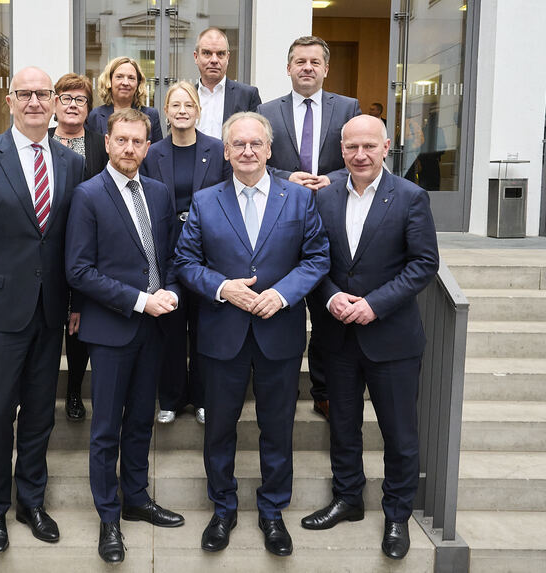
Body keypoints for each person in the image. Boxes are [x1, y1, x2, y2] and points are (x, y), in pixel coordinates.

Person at [175, 112, 329, 557]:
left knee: (277, 427)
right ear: (226, 152)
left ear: (268, 150)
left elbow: (317, 259)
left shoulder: (298, 199)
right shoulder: (206, 201)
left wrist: (281, 295)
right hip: (223, 335)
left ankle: (273, 511)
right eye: (237, 144)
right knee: (219, 427)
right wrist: (223, 288)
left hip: (278, 332)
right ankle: (222, 508)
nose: (246, 151)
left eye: (254, 144)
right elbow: (185, 263)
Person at [0, 67, 85, 553]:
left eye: (42, 94)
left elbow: (75, 242)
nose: (33, 101)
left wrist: (76, 303)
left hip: (51, 313)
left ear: (53, 102)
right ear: (9, 100)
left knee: (40, 416)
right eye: (24, 94)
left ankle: (31, 500)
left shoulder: (69, 163)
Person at [300, 115, 439, 561]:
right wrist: (330, 297)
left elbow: (423, 264)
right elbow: (312, 260)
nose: (360, 155)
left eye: (369, 146)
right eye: (351, 147)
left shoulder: (411, 197)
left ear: (386, 147)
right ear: (341, 149)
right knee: (342, 426)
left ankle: (397, 513)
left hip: (392, 339)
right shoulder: (322, 199)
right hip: (337, 337)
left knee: (398, 433)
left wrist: (373, 304)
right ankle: (348, 498)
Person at [66, 108, 185, 564]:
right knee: (106, 430)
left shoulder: (158, 192)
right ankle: (109, 517)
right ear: (108, 142)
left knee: (140, 421)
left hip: (155, 328)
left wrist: (170, 289)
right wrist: (140, 300)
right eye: (122, 141)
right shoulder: (88, 195)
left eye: (138, 142)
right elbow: (78, 269)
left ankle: (137, 498)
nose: (130, 149)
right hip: (112, 328)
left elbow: (170, 254)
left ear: (148, 146)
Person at [257, 35, 362, 422]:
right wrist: (288, 176)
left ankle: (323, 390)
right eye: (300, 61)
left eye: (315, 62)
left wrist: (331, 177)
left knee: (325, 308)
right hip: (281, 221)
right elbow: (255, 159)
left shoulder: (347, 107)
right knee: (279, 298)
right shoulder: (266, 109)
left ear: (325, 69)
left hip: (332, 217)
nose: (307, 68)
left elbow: (357, 155)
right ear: (288, 68)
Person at [140, 81, 229, 425]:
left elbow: (225, 197)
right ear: (165, 112)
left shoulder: (217, 149)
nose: (181, 111)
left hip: (208, 251)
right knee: (171, 326)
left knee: (205, 327)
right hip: (166, 250)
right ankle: (172, 397)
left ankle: (203, 397)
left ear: (198, 110)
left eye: (187, 105)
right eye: (175, 105)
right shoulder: (153, 153)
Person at [49, 72, 109, 421]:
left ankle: (73, 391)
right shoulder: (39, 141)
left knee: (79, 321)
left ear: (89, 108)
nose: (73, 105)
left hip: (89, 245)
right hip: (47, 245)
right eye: (66, 98)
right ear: (55, 104)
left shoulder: (100, 144)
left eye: (80, 100)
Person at [192, 27, 262, 139]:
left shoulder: (247, 95)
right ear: (196, 57)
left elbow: (257, 138)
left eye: (220, 54)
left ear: (227, 57)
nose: (214, 60)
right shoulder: (187, 96)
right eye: (207, 53)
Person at [86, 56, 163, 144]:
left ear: (138, 83)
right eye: (119, 77)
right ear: (109, 81)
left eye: (131, 78)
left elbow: (158, 154)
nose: (125, 83)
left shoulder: (151, 115)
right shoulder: (95, 116)